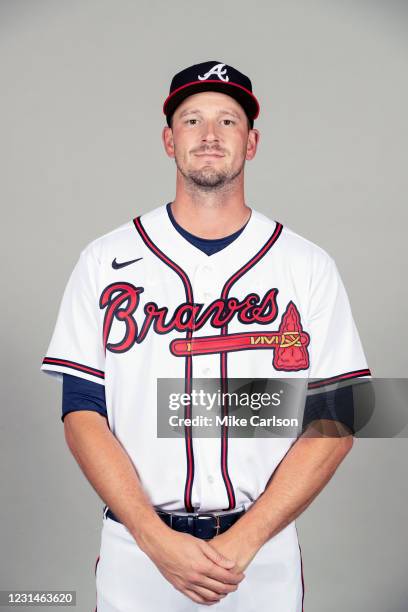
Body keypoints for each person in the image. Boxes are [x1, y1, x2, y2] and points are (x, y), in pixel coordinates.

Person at [41, 61, 371, 611]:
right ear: (170, 140)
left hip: (260, 553)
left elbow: (339, 417)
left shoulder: (307, 265)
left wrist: (246, 539)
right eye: (192, 121)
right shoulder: (104, 260)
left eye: (228, 121)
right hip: (138, 550)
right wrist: (152, 537)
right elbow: (81, 412)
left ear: (253, 141)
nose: (211, 135)